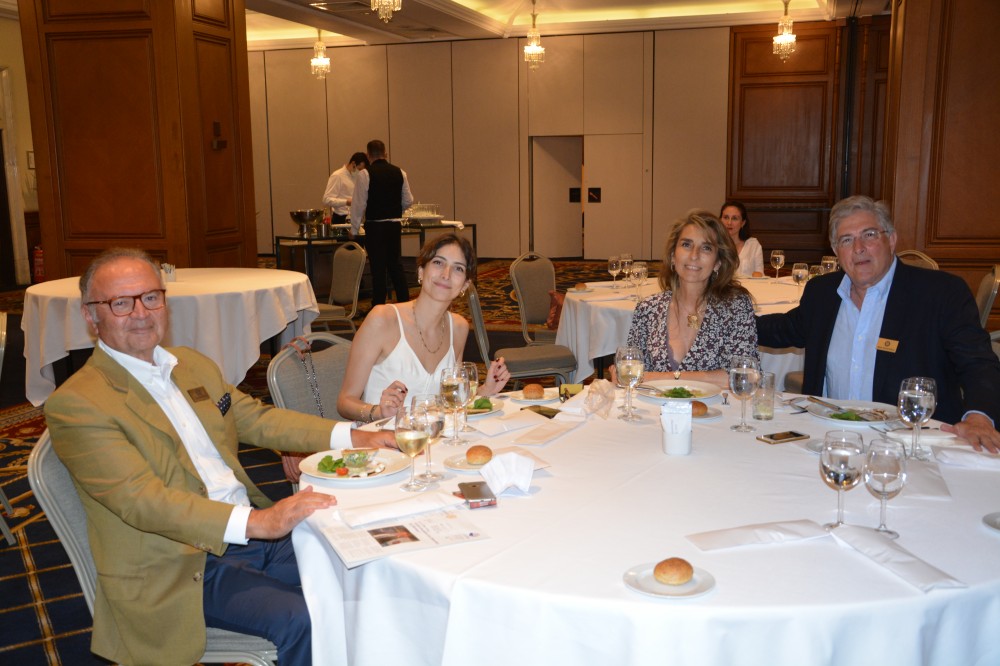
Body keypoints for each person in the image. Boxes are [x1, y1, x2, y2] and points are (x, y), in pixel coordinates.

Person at [43, 248, 396, 665]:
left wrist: (354, 436)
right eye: (121, 303)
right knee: (306, 619)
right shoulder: (79, 403)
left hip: (251, 536)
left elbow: (257, 419)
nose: (141, 313)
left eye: (151, 297)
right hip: (180, 564)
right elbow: (143, 501)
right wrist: (259, 522)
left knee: (370, 572)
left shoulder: (190, 365)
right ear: (91, 316)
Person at [756, 195, 1000, 453]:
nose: (858, 248)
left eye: (869, 235)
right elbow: (784, 329)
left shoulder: (940, 293)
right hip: (829, 439)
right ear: (836, 251)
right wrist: (729, 318)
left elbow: (978, 364)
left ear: (891, 240)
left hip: (912, 445)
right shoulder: (822, 292)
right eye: (846, 240)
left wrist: (979, 417)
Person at [338, 233, 510, 422]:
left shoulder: (458, 327)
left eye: (458, 268)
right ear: (421, 271)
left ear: (465, 285)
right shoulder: (383, 319)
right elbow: (345, 402)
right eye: (438, 263)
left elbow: (452, 402)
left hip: (432, 436)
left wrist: (486, 390)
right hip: (382, 435)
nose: (446, 274)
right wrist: (378, 412)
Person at [615, 210, 759, 388]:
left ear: (717, 262)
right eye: (686, 244)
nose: (694, 255)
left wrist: (663, 378)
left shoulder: (734, 307)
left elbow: (746, 376)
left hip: (714, 406)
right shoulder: (648, 309)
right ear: (672, 256)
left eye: (706, 248)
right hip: (655, 405)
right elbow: (627, 372)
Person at [350, 139, 414, 305]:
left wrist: (354, 229)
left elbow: (358, 204)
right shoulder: (400, 172)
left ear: (368, 155)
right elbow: (408, 200)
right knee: (395, 266)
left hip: (375, 226)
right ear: (386, 154)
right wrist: (395, 209)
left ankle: (378, 306)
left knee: (378, 268)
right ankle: (404, 303)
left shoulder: (365, 174)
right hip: (394, 225)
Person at [322, 151, 369, 223]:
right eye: (359, 169)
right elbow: (326, 199)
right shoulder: (338, 176)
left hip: (356, 217)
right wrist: (346, 202)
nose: (360, 172)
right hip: (341, 218)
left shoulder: (357, 177)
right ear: (353, 163)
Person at [720, 201, 763, 277]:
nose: (729, 223)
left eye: (734, 218)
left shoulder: (753, 245)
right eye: (726, 217)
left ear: (743, 223)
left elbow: (759, 274)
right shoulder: (714, 244)